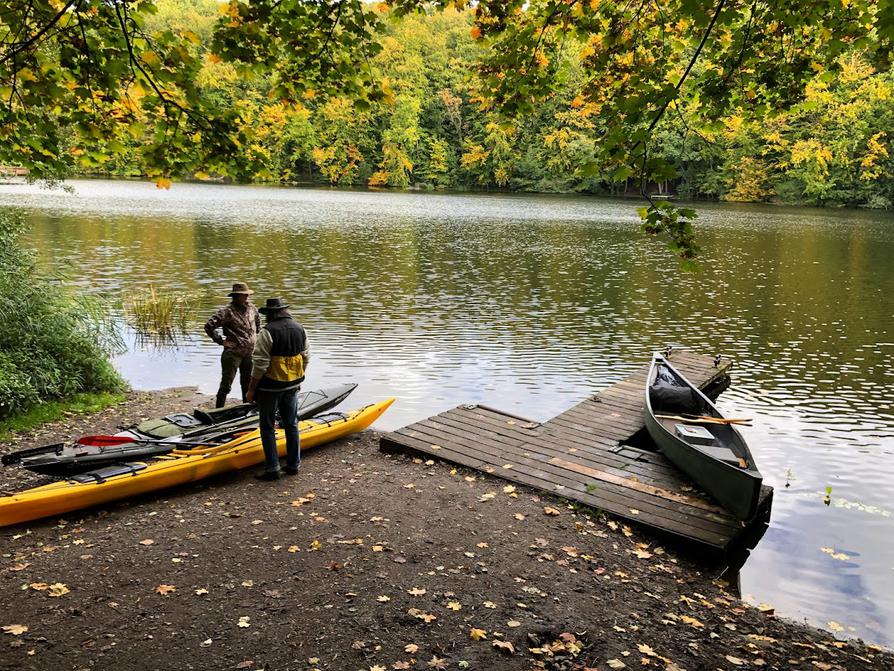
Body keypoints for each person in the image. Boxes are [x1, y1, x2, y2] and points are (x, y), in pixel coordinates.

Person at [246, 297, 310, 480]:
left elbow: (260, 364)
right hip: (292, 385)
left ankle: (273, 467)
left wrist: (251, 390)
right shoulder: (300, 329)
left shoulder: (267, 332)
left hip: (270, 388)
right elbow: (306, 357)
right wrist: (297, 377)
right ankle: (293, 465)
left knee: (267, 427)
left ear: (271, 314)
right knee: (291, 424)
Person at [204, 282, 261, 408]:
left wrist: (257, 342)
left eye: (247, 295)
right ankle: (218, 410)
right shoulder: (227, 311)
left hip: (250, 353)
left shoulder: (252, 308)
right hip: (233, 354)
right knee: (226, 385)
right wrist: (221, 341)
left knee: (248, 384)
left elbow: (258, 326)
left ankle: (247, 409)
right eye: (243, 295)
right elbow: (209, 326)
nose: (246, 297)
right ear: (235, 296)